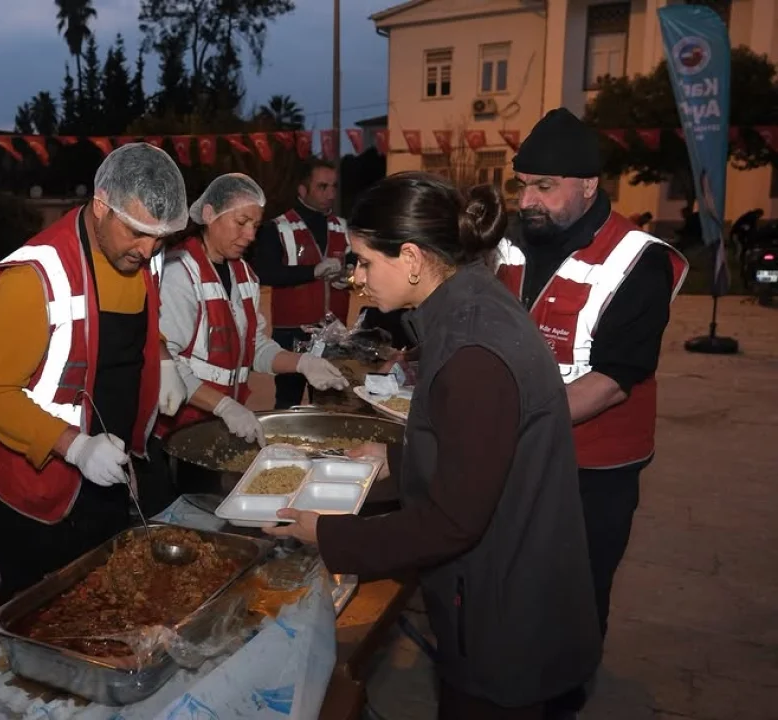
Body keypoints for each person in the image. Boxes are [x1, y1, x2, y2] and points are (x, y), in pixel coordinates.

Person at [266, 173, 601, 719]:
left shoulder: (473, 351)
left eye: (366, 262)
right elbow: (479, 452)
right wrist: (393, 459)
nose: (358, 278)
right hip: (507, 584)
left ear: (413, 258)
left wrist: (329, 535)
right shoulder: (468, 306)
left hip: (504, 613)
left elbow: (453, 520)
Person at [497, 108, 687, 645]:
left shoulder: (638, 261)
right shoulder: (512, 242)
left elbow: (612, 380)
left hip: (595, 464)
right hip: (520, 447)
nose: (528, 200)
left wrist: (508, 421)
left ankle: (566, 690)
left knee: (576, 585)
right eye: (523, 186)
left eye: (545, 187)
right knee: (514, 570)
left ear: (587, 185)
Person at [0, 143, 189, 601]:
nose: (148, 250)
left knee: (104, 598)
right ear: (101, 205)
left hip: (110, 472)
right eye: (136, 232)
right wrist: (75, 447)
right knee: (43, 610)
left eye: (159, 238)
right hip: (42, 489)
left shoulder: (138, 256)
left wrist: (163, 357)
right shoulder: (33, 277)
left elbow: (138, 330)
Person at [156, 174, 348, 448]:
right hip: (179, 428)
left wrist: (302, 363)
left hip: (221, 422)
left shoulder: (244, 274)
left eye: (255, 225)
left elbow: (254, 347)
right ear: (209, 214)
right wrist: (223, 406)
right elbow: (165, 363)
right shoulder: (179, 273)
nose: (250, 235)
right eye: (241, 223)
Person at [252, 158, 353, 409]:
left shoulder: (344, 227)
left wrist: (348, 280)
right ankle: (282, 448)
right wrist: (313, 271)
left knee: (332, 403)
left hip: (334, 332)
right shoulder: (276, 227)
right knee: (287, 403)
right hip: (291, 332)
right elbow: (265, 273)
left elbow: (358, 270)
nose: (330, 193)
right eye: (322, 187)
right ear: (302, 190)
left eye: (334, 187)